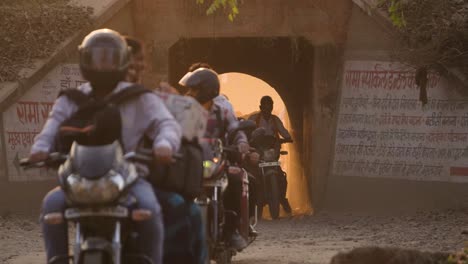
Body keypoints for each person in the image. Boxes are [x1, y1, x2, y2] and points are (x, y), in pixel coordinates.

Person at [29, 29, 182, 264]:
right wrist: (40, 148)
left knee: (150, 209)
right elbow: (52, 126)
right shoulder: (72, 98)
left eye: (110, 59)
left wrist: (164, 144)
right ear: (85, 60)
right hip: (78, 179)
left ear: (122, 60)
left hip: (129, 177)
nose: (103, 66)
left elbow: (167, 123)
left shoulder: (140, 97)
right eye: (98, 58)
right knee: (51, 206)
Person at [124, 36, 207, 264]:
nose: (138, 66)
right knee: (53, 206)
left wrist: (176, 105)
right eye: (131, 61)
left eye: (140, 61)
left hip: (138, 178)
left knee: (188, 211)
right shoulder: (87, 95)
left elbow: (173, 127)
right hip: (97, 177)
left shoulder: (150, 98)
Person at [179, 65, 250, 250]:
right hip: (190, 162)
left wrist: (242, 142)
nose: (190, 93)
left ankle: (231, 229)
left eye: (194, 89)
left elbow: (235, 130)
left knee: (236, 179)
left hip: (216, 160)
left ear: (206, 91)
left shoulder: (222, 112)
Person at [248, 95, 292, 214]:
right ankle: (253, 199)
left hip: (272, 151)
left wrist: (288, 138)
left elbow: (283, 131)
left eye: (270, 107)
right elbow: (247, 131)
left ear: (272, 108)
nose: (267, 110)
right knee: (252, 174)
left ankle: (282, 197)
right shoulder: (254, 119)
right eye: (265, 107)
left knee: (281, 176)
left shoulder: (275, 120)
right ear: (260, 107)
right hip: (259, 151)